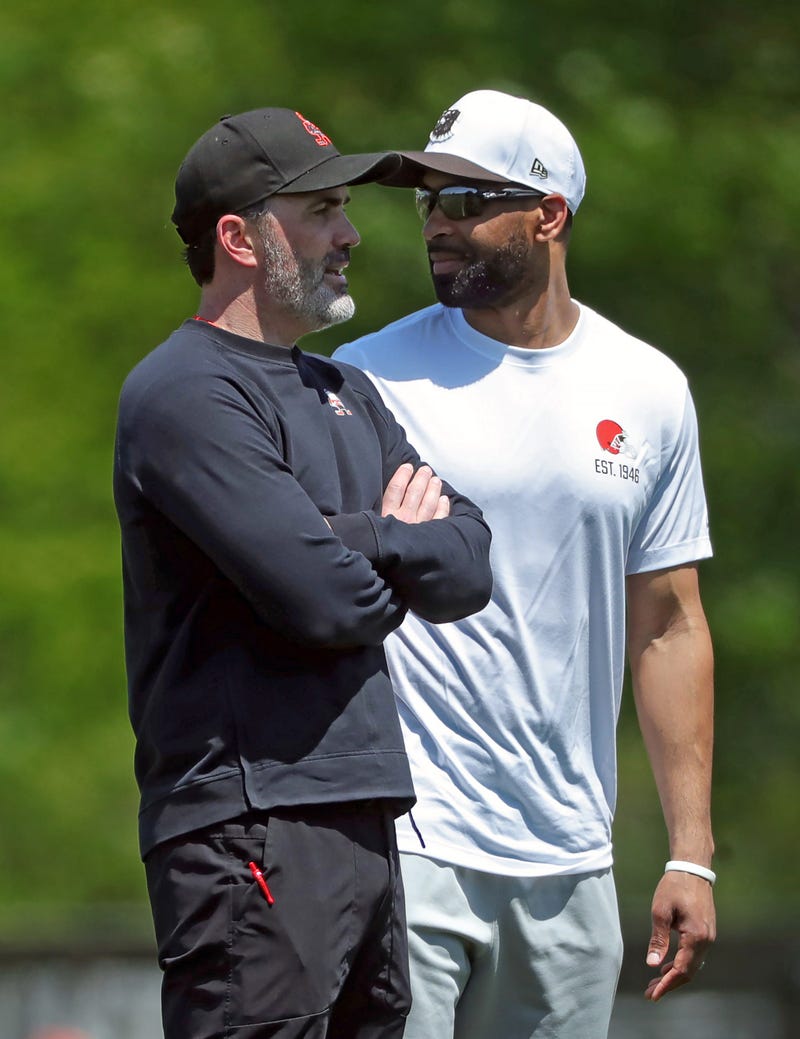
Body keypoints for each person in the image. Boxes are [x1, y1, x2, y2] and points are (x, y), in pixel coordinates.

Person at [335, 89, 716, 1039]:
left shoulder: (651, 390)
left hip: (572, 861)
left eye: (466, 202)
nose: (437, 225)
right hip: (405, 839)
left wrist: (692, 853)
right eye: (427, 201)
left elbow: (668, 625)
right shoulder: (361, 378)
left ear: (549, 214)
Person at [113, 107, 493, 1039]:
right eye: (322, 209)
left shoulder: (345, 392)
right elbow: (329, 602)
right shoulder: (186, 393)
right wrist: (380, 540)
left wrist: (339, 532)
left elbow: (469, 563)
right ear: (240, 238)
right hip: (250, 824)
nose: (351, 234)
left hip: (365, 818)